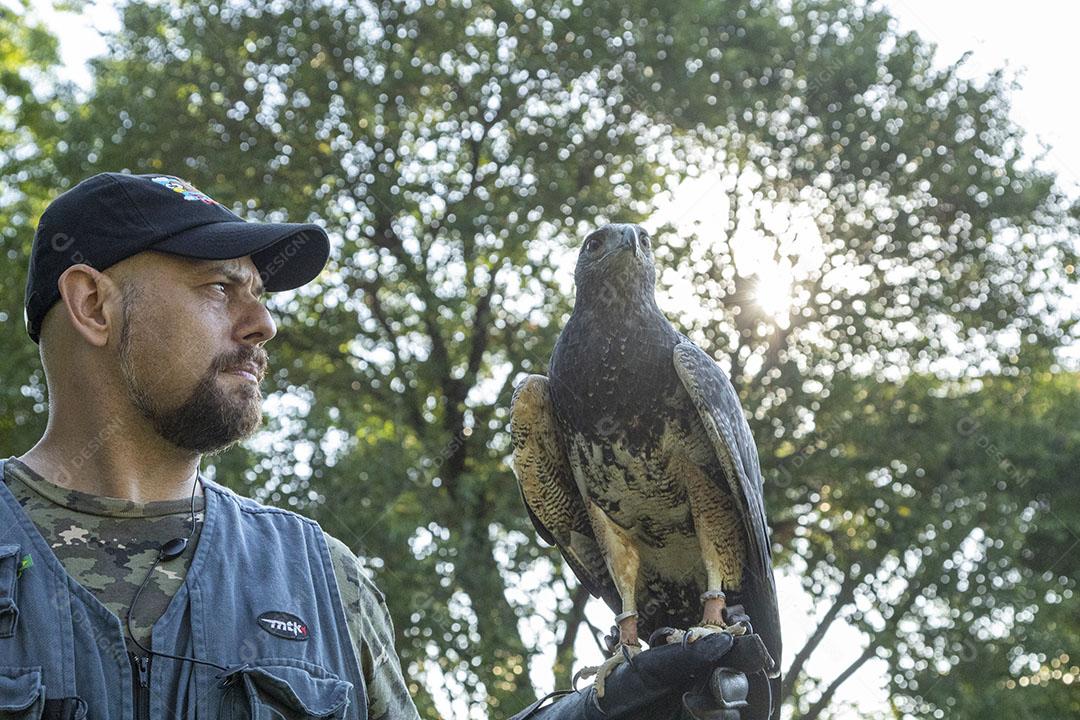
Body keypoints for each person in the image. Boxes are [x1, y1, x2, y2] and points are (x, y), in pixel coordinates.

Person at [0, 172, 771, 719]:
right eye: (217, 288)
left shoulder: (320, 581)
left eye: (260, 297)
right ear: (93, 305)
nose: (263, 324)